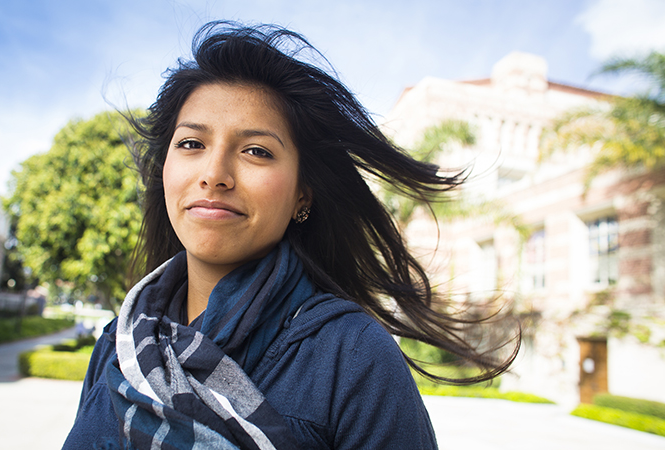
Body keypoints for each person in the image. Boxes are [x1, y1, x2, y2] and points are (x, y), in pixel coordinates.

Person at [63, 22, 516, 450]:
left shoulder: (353, 356)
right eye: (191, 144)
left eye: (256, 151)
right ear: (164, 170)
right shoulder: (119, 342)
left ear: (303, 195)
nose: (214, 174)